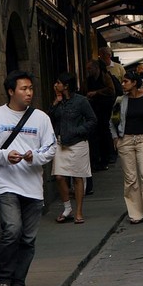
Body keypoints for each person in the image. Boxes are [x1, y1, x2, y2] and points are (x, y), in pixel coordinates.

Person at [0, 70, 56, 286]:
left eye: (31, 88)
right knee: (12, 230)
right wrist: (4, 156)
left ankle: (18, 285)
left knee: (28, 239)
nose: (29, 93)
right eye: (24, 89)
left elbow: (50, 148)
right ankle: (3, 280)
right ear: (11, 91)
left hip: (32, 186)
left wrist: (34, 157)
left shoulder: (41, 118)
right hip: (4, 183)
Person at [110, 71, 143, 224]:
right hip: (125, 140)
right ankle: (136, 214)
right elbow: (112, 120)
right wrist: (115, 138)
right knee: (130, 178)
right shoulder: (120, 100)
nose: (123, 84)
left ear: (134, 83)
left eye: (125, 81)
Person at [49, 72, 97, 224]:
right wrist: (56, 102)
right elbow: (49, 118)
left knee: (78, 177)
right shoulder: (59, 101)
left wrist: (77, 131)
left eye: (58, 82)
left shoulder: (81, 101)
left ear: (66, 85)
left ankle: (79, 212)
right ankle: (67, 208)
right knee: (59, 176)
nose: (55, 85)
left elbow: (92, 120)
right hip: (60, 142)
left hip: (78, 143)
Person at [82, 60, 115, 171]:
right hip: (93, 108)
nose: (88, 71)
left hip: (104, 108)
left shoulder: (105, 77)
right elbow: (83, 90)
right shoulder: (88, 80)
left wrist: (96, 93)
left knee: (104, 131)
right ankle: (96, 160)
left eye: (90, 69)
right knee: (94, 133)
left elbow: (111, 90)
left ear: (96, 68)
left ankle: (106, 157)